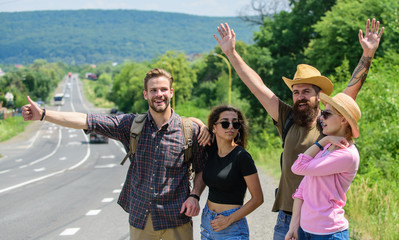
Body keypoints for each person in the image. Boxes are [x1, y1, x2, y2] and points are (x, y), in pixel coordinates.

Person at [213, 18, 383, 239]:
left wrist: (367, 54)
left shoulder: (330, 122)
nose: (300, 97)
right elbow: (257, 87)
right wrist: (232, 54)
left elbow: (353, 88)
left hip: (320, 220)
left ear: (318, 96)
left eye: (306, 92)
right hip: (287, 218)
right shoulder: (287, 118)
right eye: (296, 92)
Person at [21, 68, 210, 240]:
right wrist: (44, 114)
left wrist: (194, 195)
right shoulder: (131, 126)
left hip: (177, 218)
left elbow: (202, 169)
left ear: (171, 92)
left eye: (163, 89)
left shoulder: (190, 130)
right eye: (153, 90)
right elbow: (87, 120)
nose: (158, 94)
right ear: (145, 94)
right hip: (141, 218)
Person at [285, 92, 361, 240]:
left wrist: (323, 141)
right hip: (305, 230)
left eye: (326, 114)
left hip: (328, 233)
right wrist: (294, 226)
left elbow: (298, 167)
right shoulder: (329, 147)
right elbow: (302, 189)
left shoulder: (346, 154)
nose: (321, 118)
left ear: (343, 120)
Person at [199, 105, 264, 239]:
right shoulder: (210, 151)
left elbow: (258, 199)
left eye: (235, 123)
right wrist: (202, 127)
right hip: (207, 222)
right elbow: (188, 120)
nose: (230, 127)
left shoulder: (242, 157)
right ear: (214, 128)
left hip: (231, 227)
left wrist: (228, 219)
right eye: (225, 123)